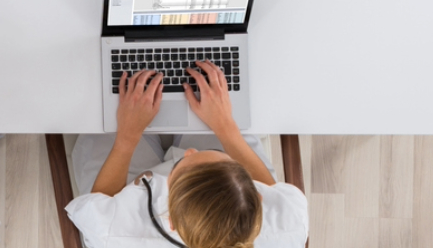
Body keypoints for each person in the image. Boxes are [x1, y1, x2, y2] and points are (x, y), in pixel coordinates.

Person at [67, 62, 309, 247]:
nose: (190, 152)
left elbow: (98, 201)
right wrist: (225, 127)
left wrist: (127, 136)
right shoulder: (289, 225)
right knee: (228, 110)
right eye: (215, 155)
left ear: (170, 221)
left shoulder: (114, 234)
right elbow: (274, 188)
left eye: (184, 163)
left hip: (124, 192)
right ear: (258, 196)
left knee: (105, 120)